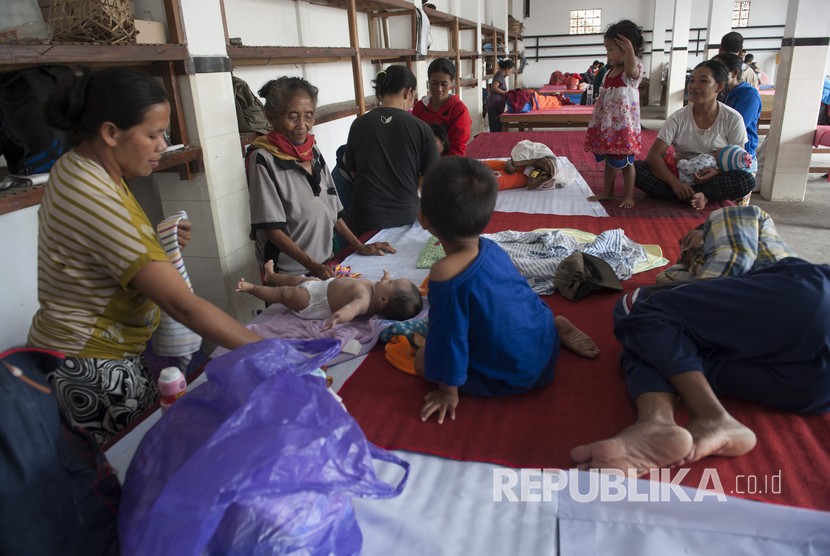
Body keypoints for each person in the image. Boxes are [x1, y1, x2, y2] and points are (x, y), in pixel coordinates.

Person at [28, 67, 263, 445]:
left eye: (164, 134)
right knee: (130, 467)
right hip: (92, 367)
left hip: (72, 353)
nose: (163, 145)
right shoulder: (94, 195)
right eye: (152, 135)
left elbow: (96, 254)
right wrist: (268, 353)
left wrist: (155, 244)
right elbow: (184, 307)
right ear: (110, 132)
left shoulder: (79, 167)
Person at [571, 258, 830, 476]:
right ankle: (658, 426)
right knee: (663, 345)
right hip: (817, 390)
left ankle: (697, 416)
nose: (684, 248)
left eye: (688, 240)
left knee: (639, 310)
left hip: (812, 301)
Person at [414, 157, 600, 424]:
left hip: (511, 374)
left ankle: (552, 330)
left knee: (422, 358)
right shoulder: (491, 248)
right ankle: (555, 327)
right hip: (542, 347)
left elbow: (449, 339)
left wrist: (448, 392)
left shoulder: (444, 274)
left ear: (423, 219)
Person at [247, 76, 395, 280]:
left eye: (308, 116)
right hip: (288, 273)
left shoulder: (312, 150)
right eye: (292, 116)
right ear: (271, 117)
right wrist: (313, 266)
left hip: (324, 261)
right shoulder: (263, 159)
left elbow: (333, 209)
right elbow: (273, 230)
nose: (302, 125)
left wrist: (359, 246)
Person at [633, 60, 756, 210]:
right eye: (692, 81)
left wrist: (717, 172)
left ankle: (698, 195)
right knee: (637, 169)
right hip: (680, 174)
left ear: (719, 86)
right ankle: (693, 195)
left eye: (703, 81)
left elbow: (738, 161)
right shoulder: (677, 118)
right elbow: (653, 156)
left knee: (745, 180)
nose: (694, 86)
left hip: (713, 178)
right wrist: (675, 183)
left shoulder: (732, 118)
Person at [344, 65, 440, 235]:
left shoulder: (358, 124)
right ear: (408, 92)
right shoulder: (421, 128)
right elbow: (432, 179)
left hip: (364, 216)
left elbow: (353, 172)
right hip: (404, 216)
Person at [237, 262, 422, 330]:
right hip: (320, 286)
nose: (387, 279)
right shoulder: (376, 290)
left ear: (383, 300)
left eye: (390, 282)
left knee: (284, 293)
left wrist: (338, 316)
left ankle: (251, 287)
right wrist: (386, 280)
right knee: (297, 279)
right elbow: (384, 288)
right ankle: (272, 275)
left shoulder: (365, 299)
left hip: (313, 302)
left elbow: (352, 308)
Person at [584, 19, 645, 209]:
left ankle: (628, 195)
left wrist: (629, 51)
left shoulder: (632, 71)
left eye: (611, 50)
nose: (607, 54)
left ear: (627, 49)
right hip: (609, 125)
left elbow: (630, 69)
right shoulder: (610, 71)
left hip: (623, 127)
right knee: (609, 161)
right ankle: (608, 191)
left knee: (627, 162)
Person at [656, 205, 797, 282]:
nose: (685, 250)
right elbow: (664, 277)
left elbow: (734, 263)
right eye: (682, 253)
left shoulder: (723, 219)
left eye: (687, 240)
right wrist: (688, 262)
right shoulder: (702, 269)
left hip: (796, 284)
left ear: (706, 232)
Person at [412, 58, 472, 156]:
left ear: (451, 82)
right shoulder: (419, 107)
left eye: (444, 84)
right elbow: (414, 140)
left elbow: (457, 148)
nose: (439, 89)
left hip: (448, 165)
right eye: (434, 83)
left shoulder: (459, 110)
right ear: (428, 79)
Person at [713, 52, 761, 161]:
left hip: (740, 159)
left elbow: (735, 128)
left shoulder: (749, 96)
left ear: (734, 73)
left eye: (718, 71)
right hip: (722, 155)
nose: (714, 75)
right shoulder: (724, 92)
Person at [487, 58, 515, 132]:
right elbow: (494, 87)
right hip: (494, 106)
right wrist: (505, 93)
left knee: (498, 127)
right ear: (507, 69)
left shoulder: (501, 76)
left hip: (497, 105)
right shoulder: (499, 74)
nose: (511, 72)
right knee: (495, 128)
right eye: (511, 69)